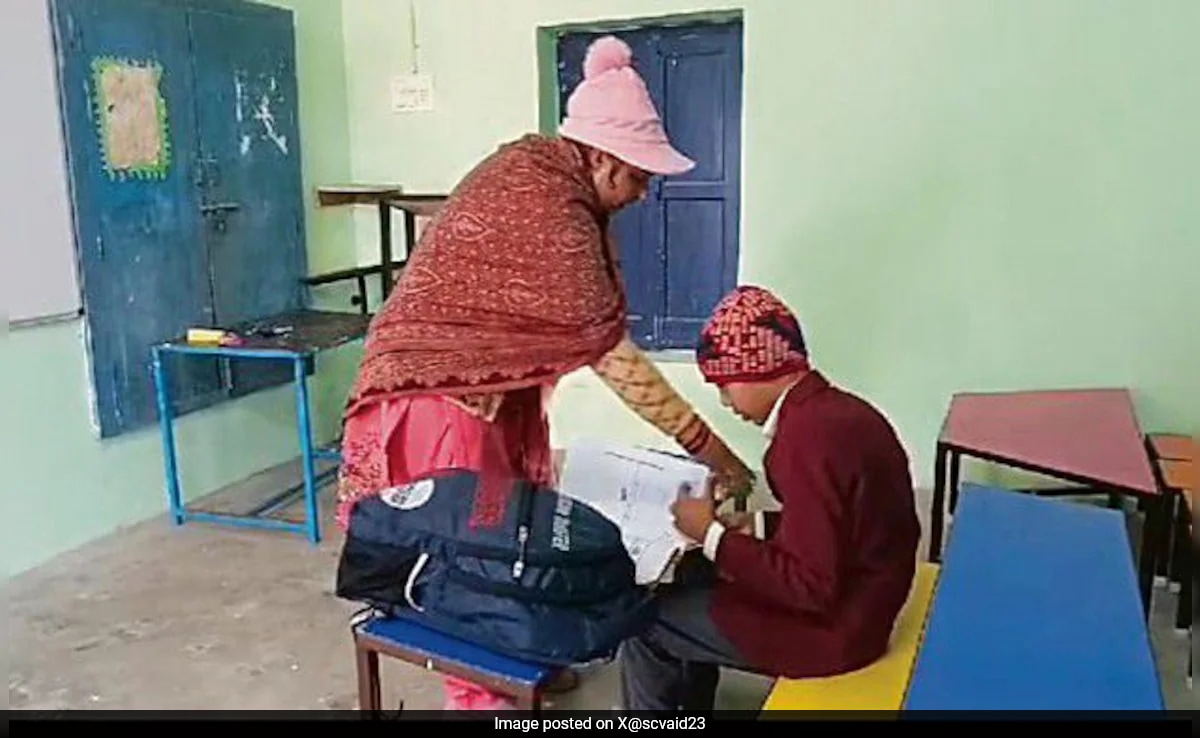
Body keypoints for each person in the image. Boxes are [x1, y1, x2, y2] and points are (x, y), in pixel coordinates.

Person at [334, 35, 755, 712]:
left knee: (517, 529)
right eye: (638, 175)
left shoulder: (550, 181)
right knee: (470, 552)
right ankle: (482, 698)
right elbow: (618, 363)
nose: (644, 193)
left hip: (491, 392)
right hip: (440, 395)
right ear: (598, 156)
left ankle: (519, 654)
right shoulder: (546, 204)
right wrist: (718, 456)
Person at [619, 285, 922, 713]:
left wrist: (710, 535)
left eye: (725, 385)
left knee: (644, 621)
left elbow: (809, 586)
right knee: (691, 574)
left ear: (758, 368)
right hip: (869, 600)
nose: (726, 402)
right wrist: (755, 528)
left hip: (839, 631)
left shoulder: (805, 441)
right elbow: (843, 524)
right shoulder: (841, 413)